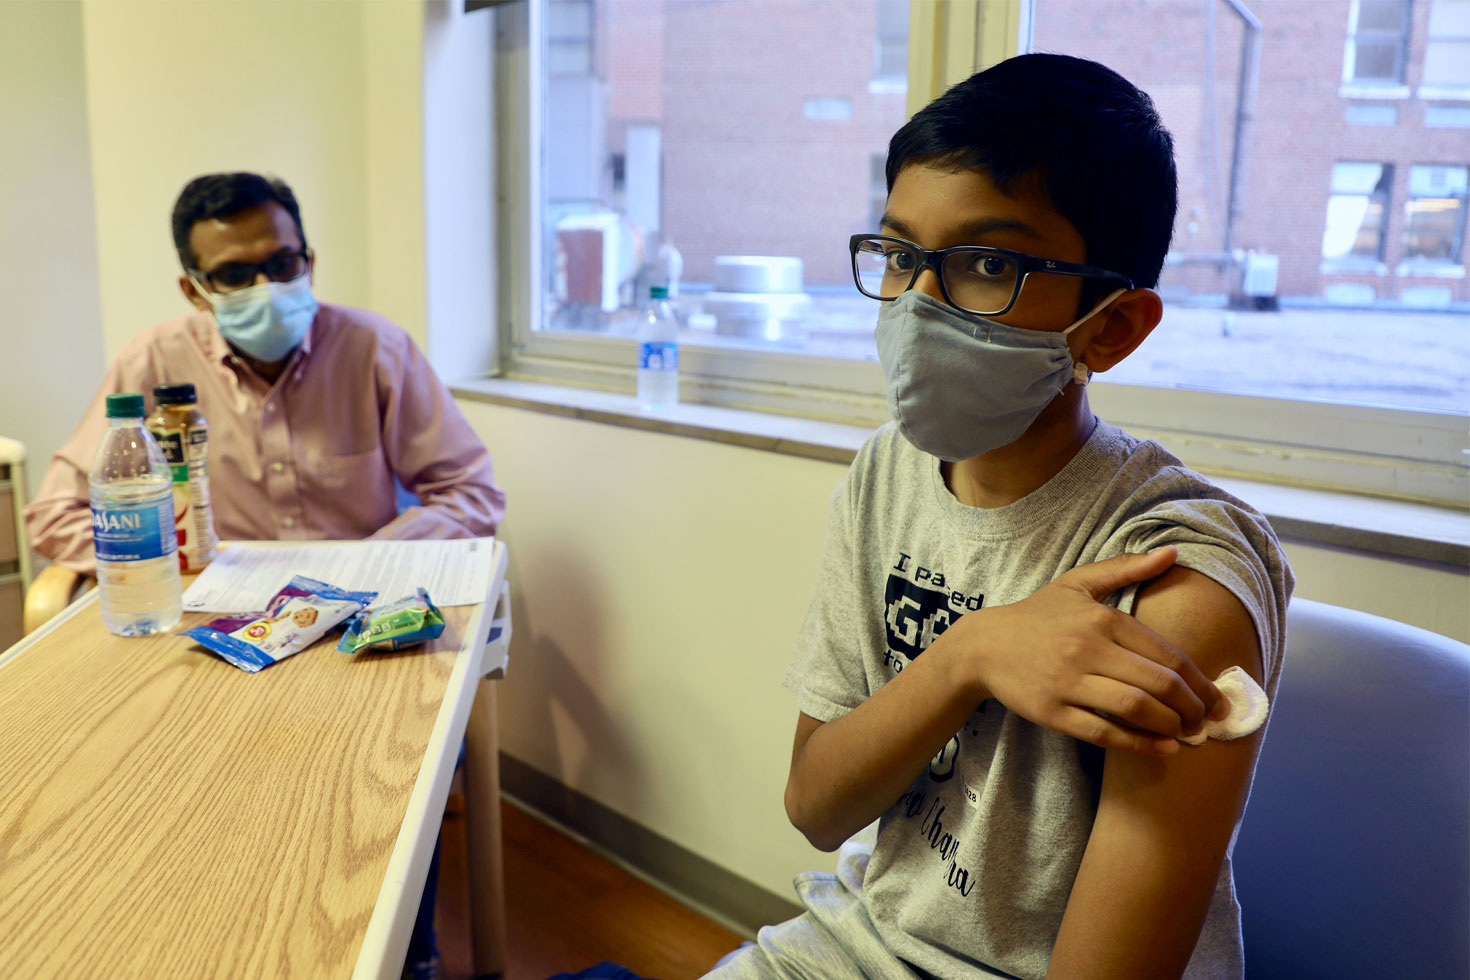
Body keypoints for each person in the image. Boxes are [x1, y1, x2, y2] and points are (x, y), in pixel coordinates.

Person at [706, 54, 1293, 980]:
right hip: (858, 940)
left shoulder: (1181, 579)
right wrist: (970, 654)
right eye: (901, 255)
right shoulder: (888, 472)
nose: (918, 306)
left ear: (1113, 327)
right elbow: (817, 807)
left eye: (989, 264)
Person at [24, 170, 503, 980]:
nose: (266, 288)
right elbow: (57, 512)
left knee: (392, 769)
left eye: (282, 263)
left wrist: (369, 561)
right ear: (193, 287)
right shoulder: (151, 363)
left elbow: (470, 491)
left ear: (309, 258)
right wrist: (170, 563)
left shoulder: (375, 349)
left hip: (361, 627)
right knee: (175, 776)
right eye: (235, 275)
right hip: (214, 629)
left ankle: (407, 959)